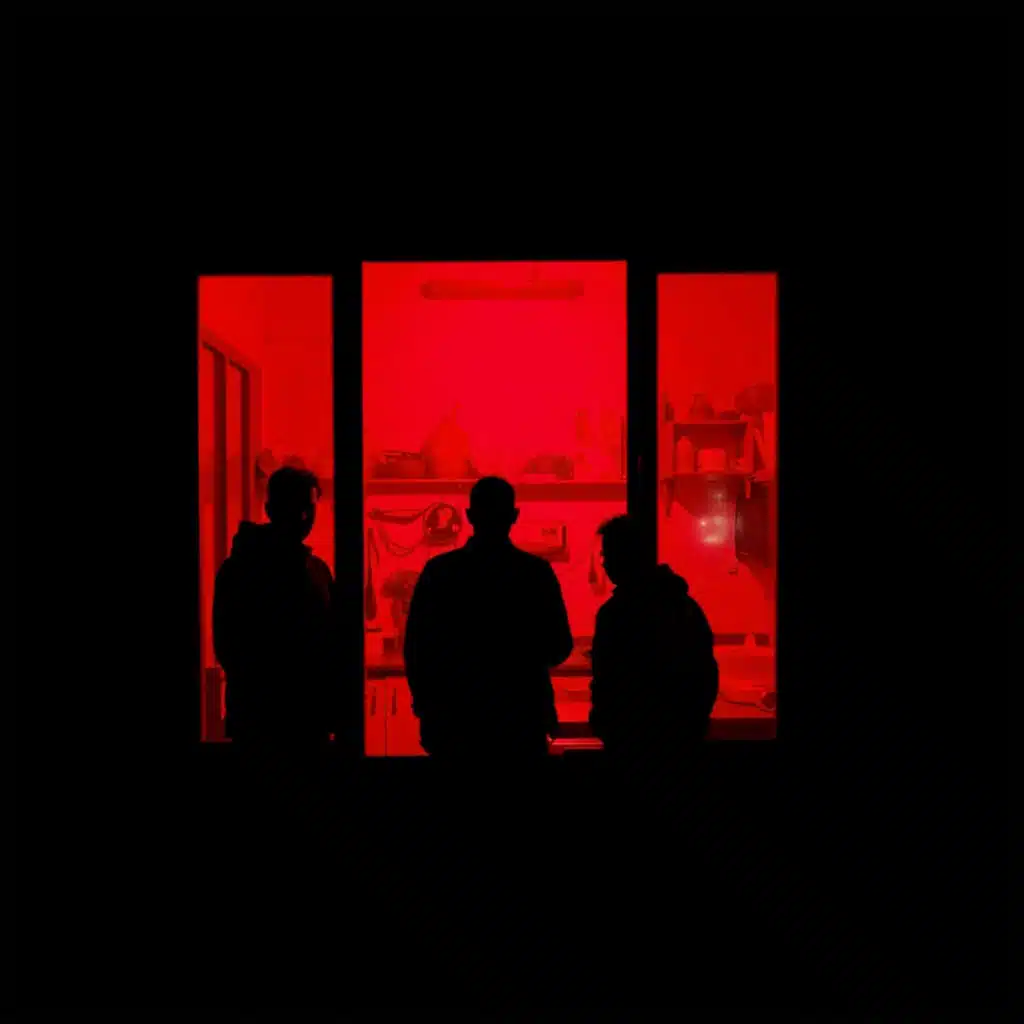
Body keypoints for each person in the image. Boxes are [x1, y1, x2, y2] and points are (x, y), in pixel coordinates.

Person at [403, 477, 573, 758]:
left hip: (456, 721)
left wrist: (427, 707)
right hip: (520, 720)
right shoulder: (535, 573)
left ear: (470, 516)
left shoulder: (440, 572)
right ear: (514, 516)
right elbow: (560, 646)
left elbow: (417, 648)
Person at [213, 466, 336, 747]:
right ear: (270, 509)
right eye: (296, 507)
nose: (303, 516)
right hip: (272, 719)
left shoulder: (315, 571)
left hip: (279, 718)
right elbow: (230, 647)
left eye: (309, 508)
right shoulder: (245, 571)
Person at [589, 515, 718, 755]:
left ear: (628, 556)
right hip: (681, 740)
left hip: (630, 742)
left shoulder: (617, 613)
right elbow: (705, 675)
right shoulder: (684, 606)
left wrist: (604, 722)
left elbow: (608, 680)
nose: (604, 564)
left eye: (609, 554)